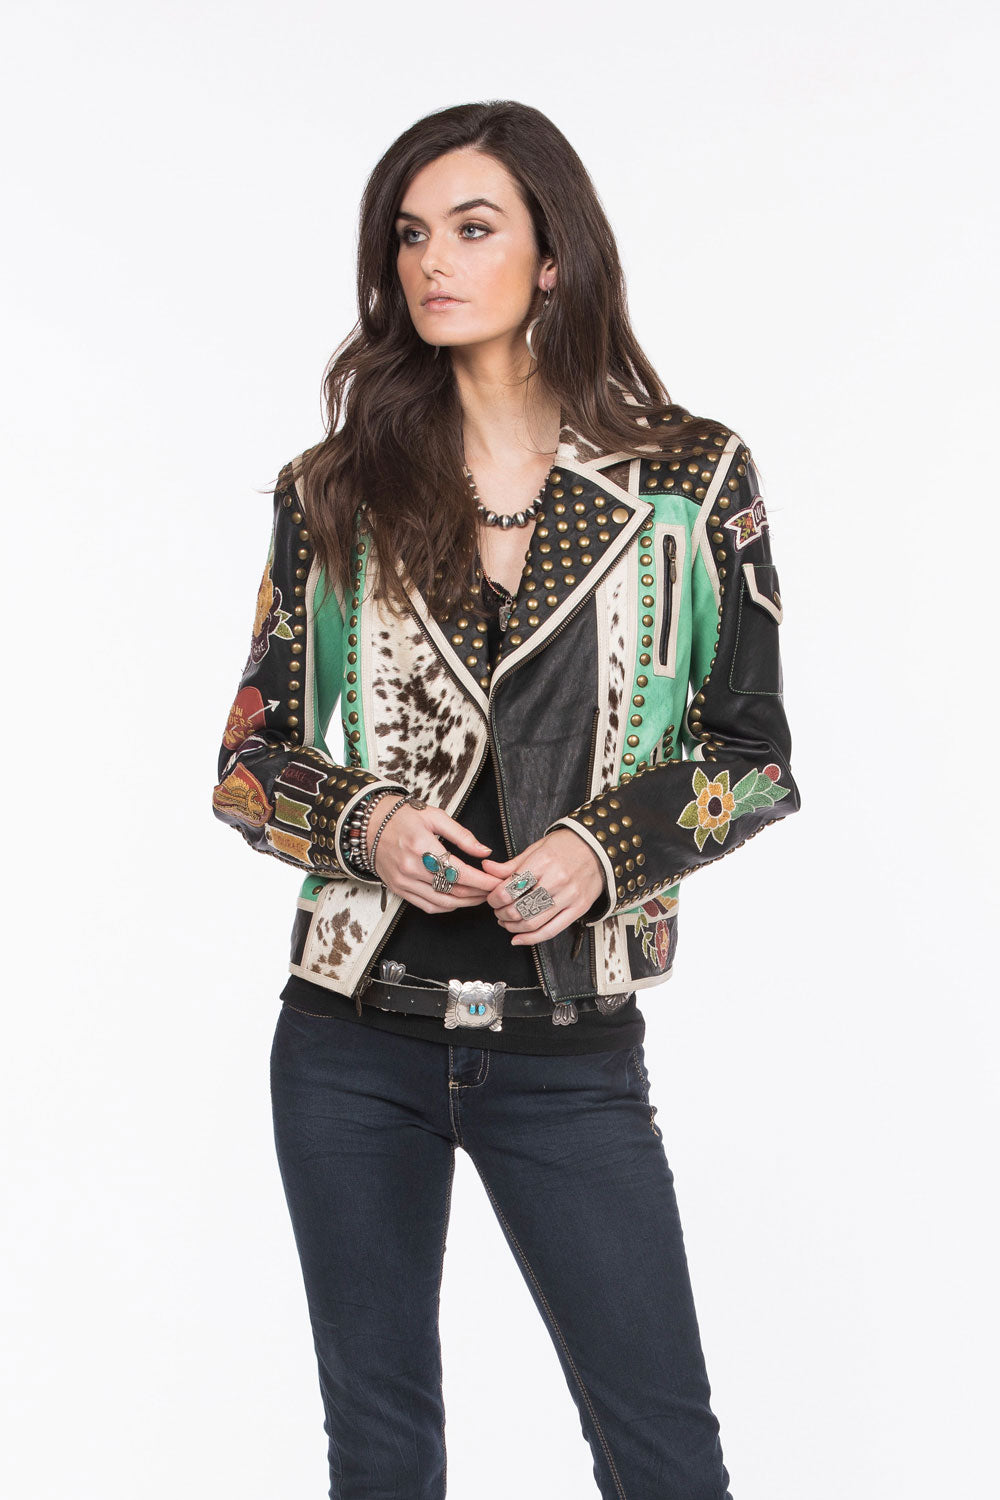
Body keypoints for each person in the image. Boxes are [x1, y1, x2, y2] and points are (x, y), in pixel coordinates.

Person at [212, 99, 800, 1500]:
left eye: (474, 228)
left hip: (566, 1050)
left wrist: (605, 848)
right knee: (382, 1456)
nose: (434, 261)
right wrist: (369, 826)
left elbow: (756, 756)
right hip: (350, 1040)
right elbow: (251, 757)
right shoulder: (336, 490)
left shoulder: (690, 481)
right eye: (411, 234)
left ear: (553, 255)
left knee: (665, 1457)